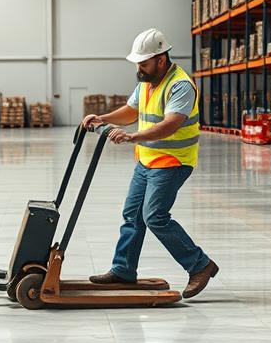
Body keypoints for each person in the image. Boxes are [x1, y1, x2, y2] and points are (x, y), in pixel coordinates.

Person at [81, 28, 219, 300]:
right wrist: (102, 118)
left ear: (161, 59)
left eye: (143, 63)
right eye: (138, 64)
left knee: (154, 216)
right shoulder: (147, 81)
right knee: (132, 214)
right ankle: (123, 270)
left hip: (173, 161)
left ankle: (201, 265)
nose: (139, 68)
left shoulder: (180, 85)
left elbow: (170, 125)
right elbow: (131, 111)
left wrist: (133, 136)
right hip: (148, 161)